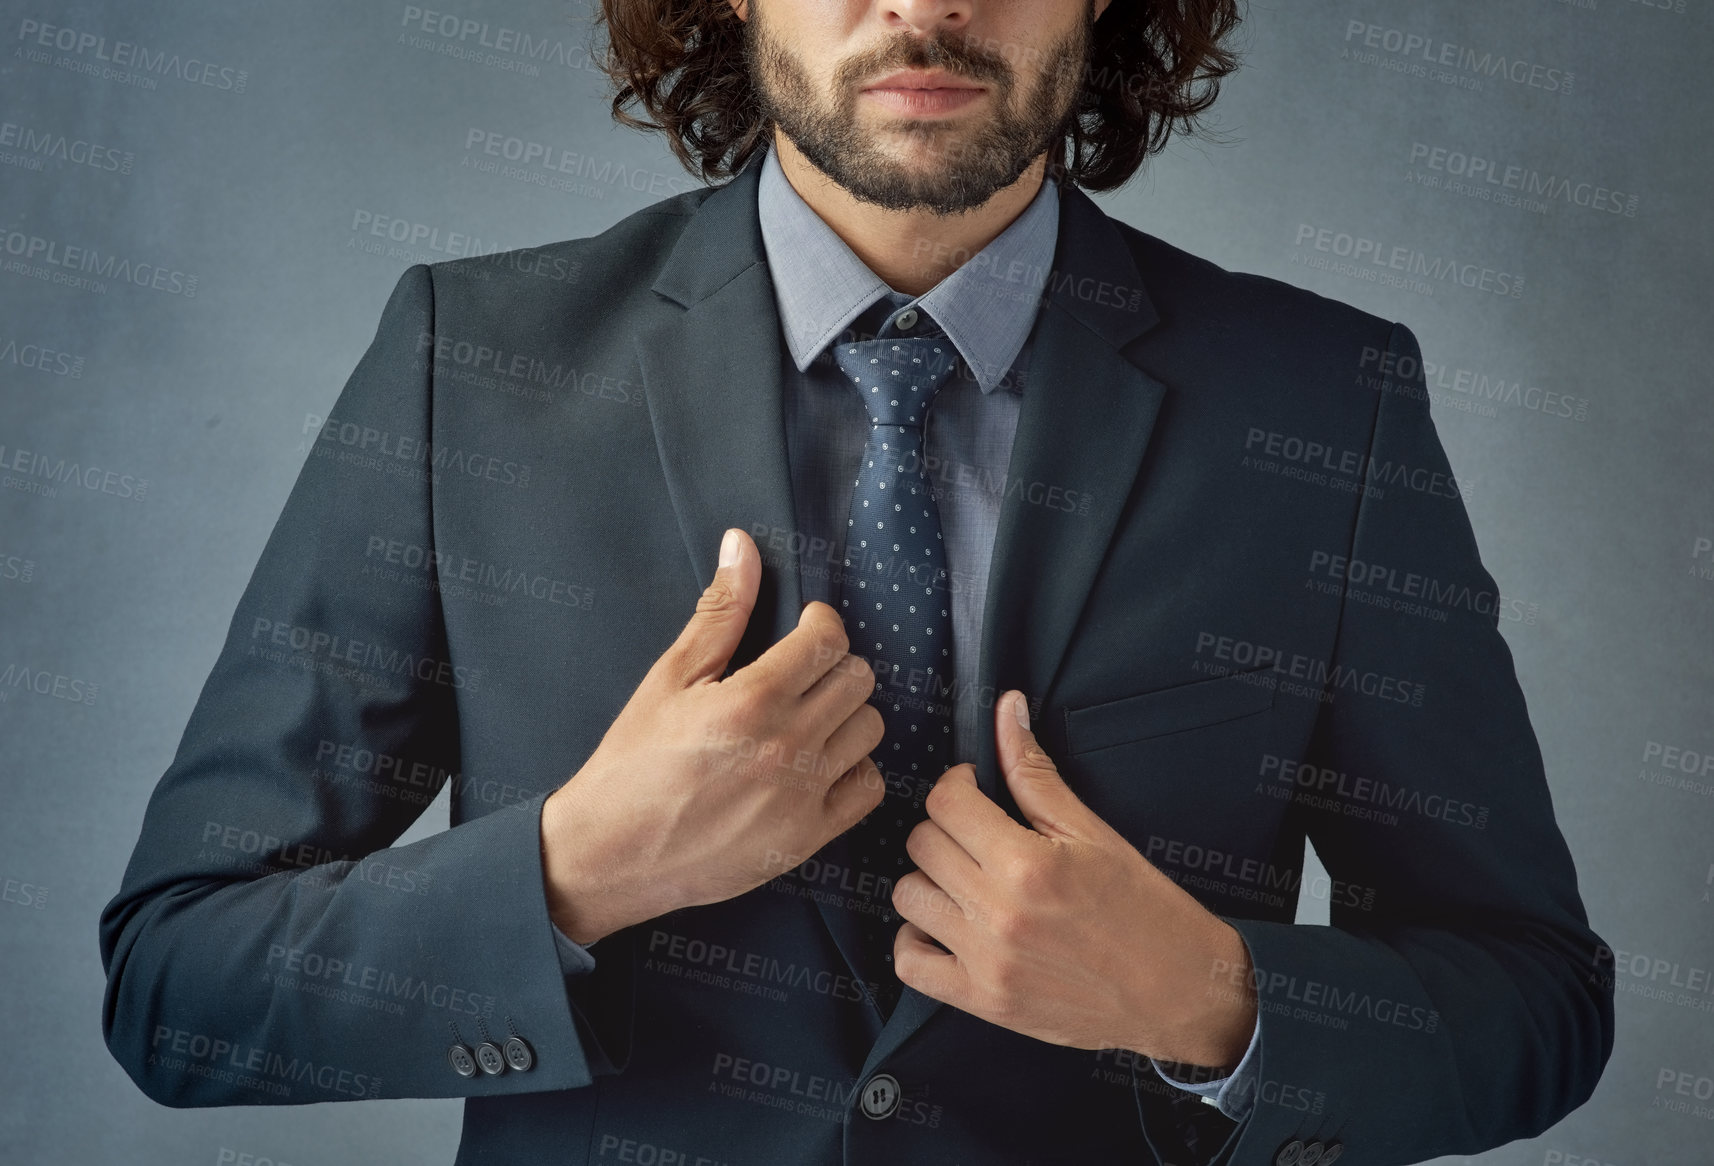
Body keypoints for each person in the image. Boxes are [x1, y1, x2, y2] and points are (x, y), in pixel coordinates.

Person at [99, 1, 1615, 1163]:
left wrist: (1213, 1002)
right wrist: (569, 874)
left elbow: (1533, 999)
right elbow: (178, 983)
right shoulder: (468, 370)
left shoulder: (1322, 401)